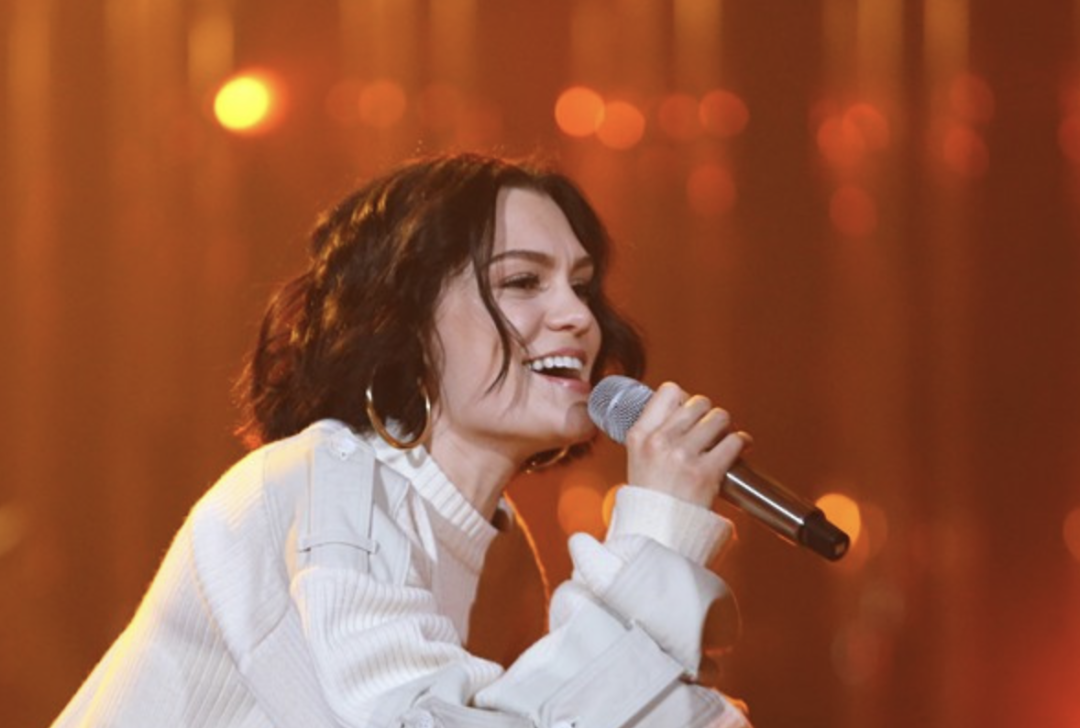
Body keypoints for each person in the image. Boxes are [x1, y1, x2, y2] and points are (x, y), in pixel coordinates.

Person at [51, 153, 753, 727]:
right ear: (405, 322)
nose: (579, 316)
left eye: (582, 286)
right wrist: (657, 537)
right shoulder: (324, 481)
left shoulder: (503, 551)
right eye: (522, 281)